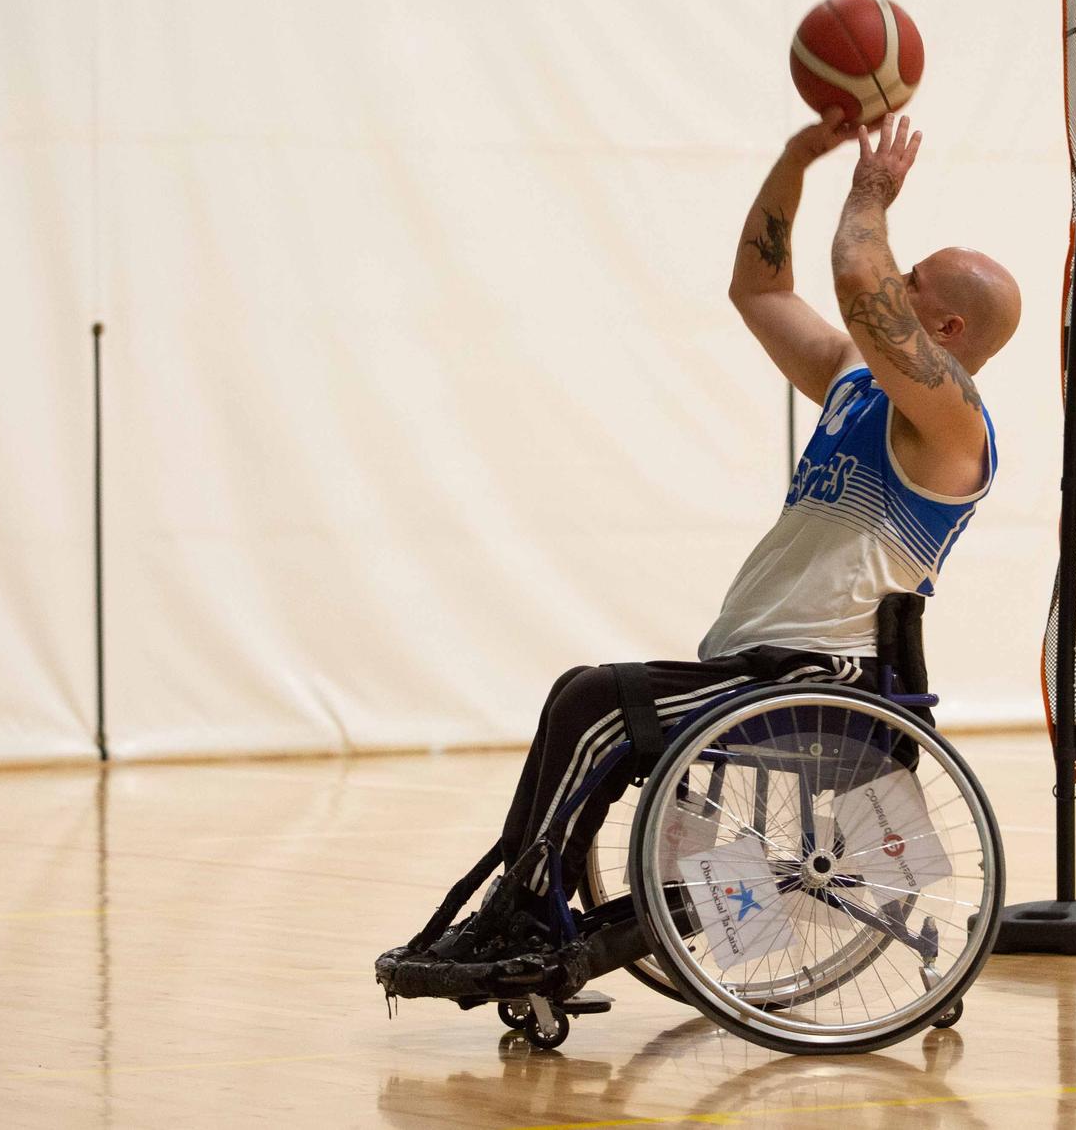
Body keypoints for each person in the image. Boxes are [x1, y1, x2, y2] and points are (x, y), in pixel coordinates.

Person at [377, 110, 1022, 999]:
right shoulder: (854, 379)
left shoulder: (952, 423)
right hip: (764, 663)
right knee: (582, 692)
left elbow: (853, 272)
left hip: (833, 679)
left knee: (600, 701)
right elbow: (760, 290)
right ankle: (532, 912)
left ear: (945, 332)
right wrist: (798, 161)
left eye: (910, 282)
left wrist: (871, 194)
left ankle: (523, 915)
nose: (891, 281)